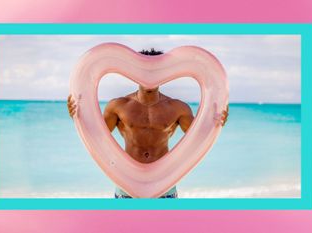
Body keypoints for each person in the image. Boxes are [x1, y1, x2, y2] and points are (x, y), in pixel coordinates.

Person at [67, 48, 229, 198]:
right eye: (144, 72)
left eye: (155, 72)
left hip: (165, 185)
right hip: (127, 185)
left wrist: (216, 123)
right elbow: (96, 136)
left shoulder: (178, 108)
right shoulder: (118, 106)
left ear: (164, 73)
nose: (149, 78)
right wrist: (78, 115)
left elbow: (198, 138)